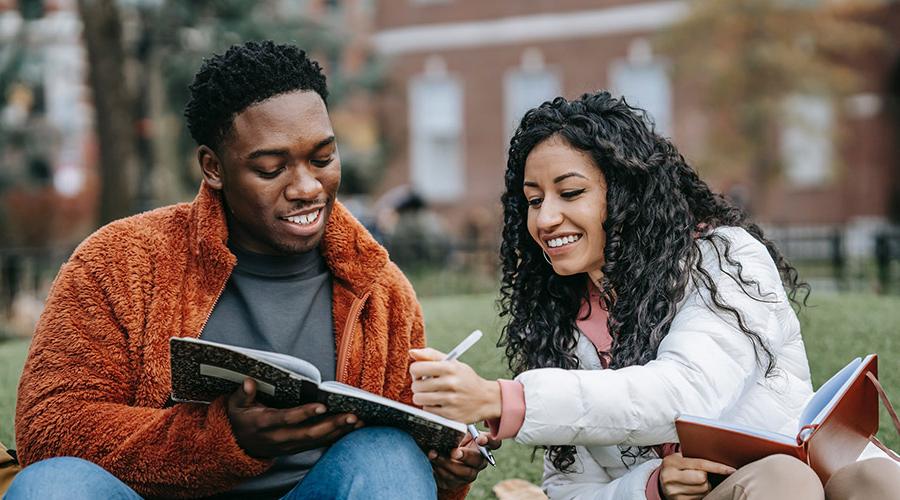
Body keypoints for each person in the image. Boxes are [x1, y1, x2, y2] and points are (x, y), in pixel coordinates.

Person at [7, 41, 493, 500]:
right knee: (52, 485)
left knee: (389, 456)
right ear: (213, 167)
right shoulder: (118, 262)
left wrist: (448, 463)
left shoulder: (380, 289)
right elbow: (50, 428)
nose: (307, 187)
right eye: (270, 168)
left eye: (323, 158)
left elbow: (409, 466)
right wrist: (219, 440)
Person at [409, 91, 900, 499]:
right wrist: (649, 485)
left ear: (626, 193)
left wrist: (502, 399)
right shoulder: (560, 318)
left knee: (876, 479)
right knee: (782, 481)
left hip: (813, 473)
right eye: (534, 200)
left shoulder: (722, 260)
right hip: (768, 488)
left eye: (570, 193)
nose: (545, 218)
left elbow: (687, 393)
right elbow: (569, 490)